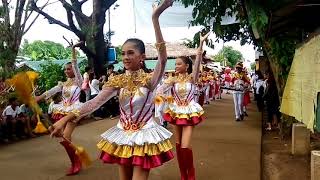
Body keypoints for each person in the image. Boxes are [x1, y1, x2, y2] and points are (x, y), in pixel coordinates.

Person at [49, 1, 174, 180]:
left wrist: (155, 19)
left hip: (145, 135)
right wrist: (65, 120)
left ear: (142, 57)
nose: (125, 57)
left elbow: (162, 60)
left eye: (130, 53)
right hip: (123, 134)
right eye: (123, 53)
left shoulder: (149, 81)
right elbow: (94, 103)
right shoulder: (117, 80)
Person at [161, 32, 209, 180]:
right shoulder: (172, 80)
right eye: (175, 64)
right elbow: (158, 91)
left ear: (186, 66)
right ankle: (183, 174)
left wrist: (200, 44)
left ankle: (191, 173)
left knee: (184, 146)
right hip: (176, 112)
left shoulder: (192, 78)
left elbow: (198, 62)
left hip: (189, 112)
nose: (176, 66)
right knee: (178, 146)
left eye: (179, 64)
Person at [35, 42, 84, 175]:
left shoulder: (79, 81)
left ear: (74, 70)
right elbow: (50, 92)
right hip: (63, 109)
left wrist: (73, 49)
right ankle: (76, 158)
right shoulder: (63, 84)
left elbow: (75, 63)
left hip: (74, 110)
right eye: (65, 69)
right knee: (64, 138)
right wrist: (37, 98)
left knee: (66, 137)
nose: (67, 71)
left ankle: (76, 163)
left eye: (69, 69)